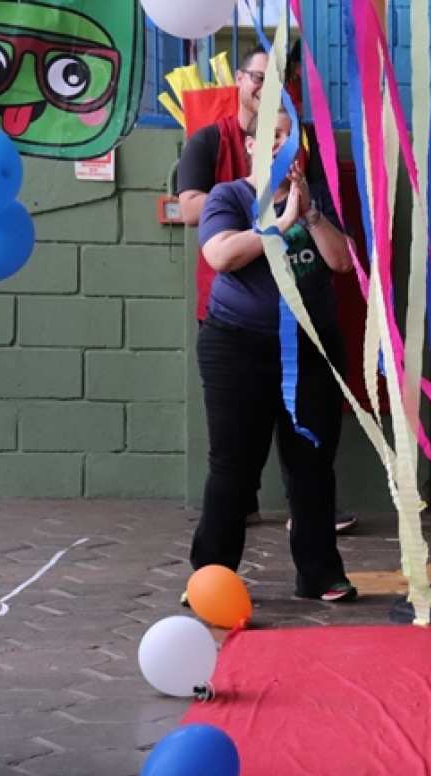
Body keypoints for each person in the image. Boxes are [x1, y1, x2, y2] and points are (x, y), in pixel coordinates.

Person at [177, 44, 357, 535]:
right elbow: (199, 223)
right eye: (259, 76)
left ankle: (315, 547)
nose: (267, 85)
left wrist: (305, 209)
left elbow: (340, 259)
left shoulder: (307, 180)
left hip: (307, 334)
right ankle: (222, 546)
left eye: (288, 138)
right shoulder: (214, 156)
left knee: (310, 454)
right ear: (240, 79)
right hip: (236, 323)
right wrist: (270, 214)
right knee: (235, 458)